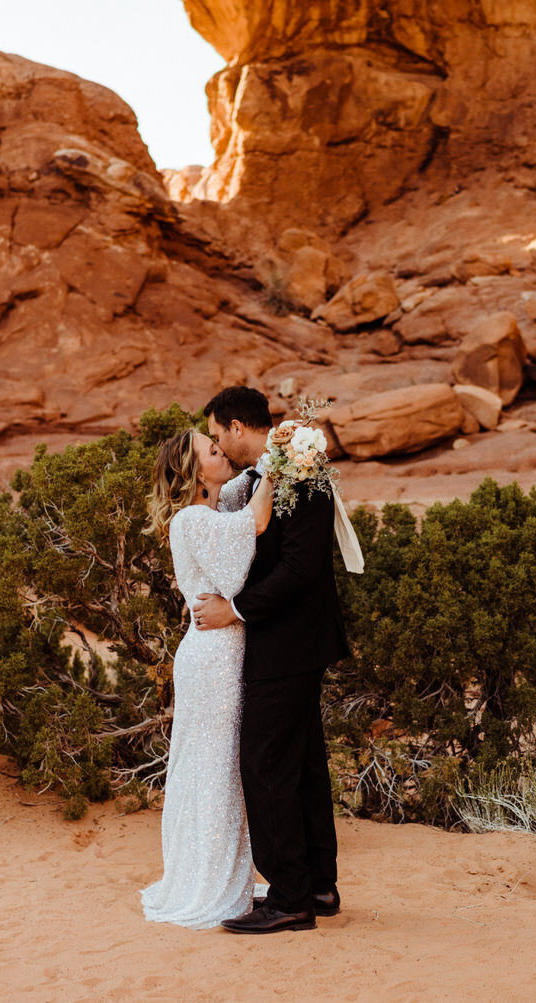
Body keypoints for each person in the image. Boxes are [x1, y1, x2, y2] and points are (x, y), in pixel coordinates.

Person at [193, 385, 350, 935]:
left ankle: (289, 897)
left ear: (238, 427)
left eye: (217, 434)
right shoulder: (270, 471)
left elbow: (302, 567)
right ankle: (317, 885)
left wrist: (235, 610)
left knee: (265, 763)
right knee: (303, 762)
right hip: (296, 641)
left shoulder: (299, 468)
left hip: (288, 642)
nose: (217, 443)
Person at [140, 428, 275, 929]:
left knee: (217, 765)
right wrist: (282, 463)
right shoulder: (194, 519)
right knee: (215, 767)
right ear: (196, 472)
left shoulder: (215, 508)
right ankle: (210, 882)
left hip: (220, 651)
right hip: (213, 659)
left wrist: (272, 455)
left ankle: (222, 872)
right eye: (213, 452)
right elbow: (257, 520)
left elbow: (247, 491)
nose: (222, 453)